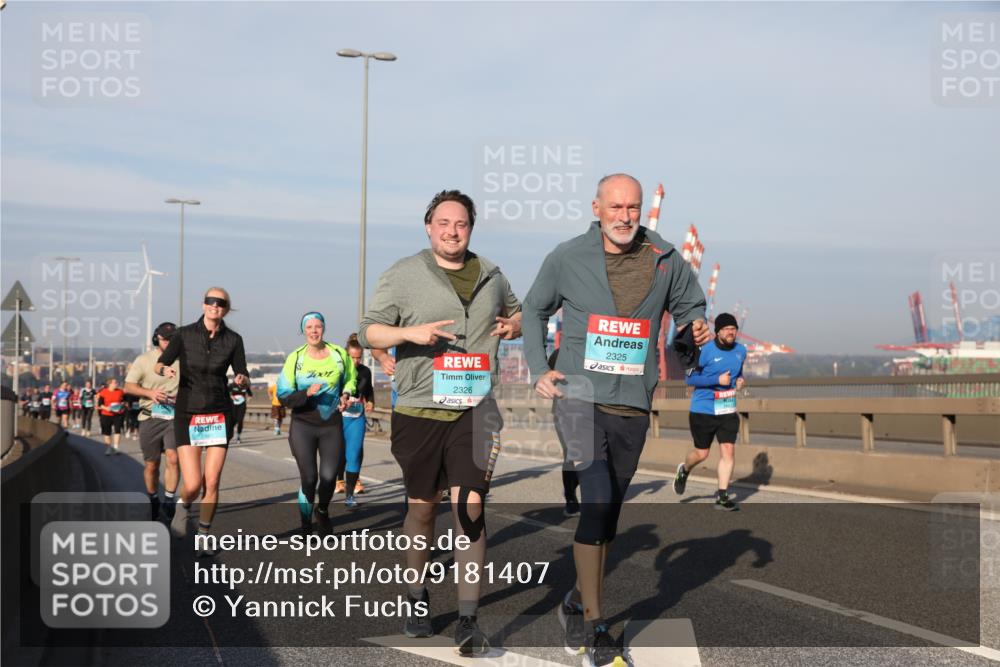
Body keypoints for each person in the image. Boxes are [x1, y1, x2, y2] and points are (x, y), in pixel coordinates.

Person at [522, 173, 710, 666]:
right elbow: (533, 311)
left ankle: (576, 601)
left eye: (633, 207)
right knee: (597, 496)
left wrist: (696, 326)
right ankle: (596, 626)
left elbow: (691, 306)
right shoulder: (568, 256)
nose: (625, 216)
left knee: (607, 515)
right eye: (616, 207)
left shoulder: (665, 258)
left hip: (632, 402)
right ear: (597, 208)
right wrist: (541, 368)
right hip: (578, 396)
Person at [359, 189, 522, 655]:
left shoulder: (492, 274)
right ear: (428, 227)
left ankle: (469, 619)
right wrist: (409, 332)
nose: (453, 231)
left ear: (471, 228)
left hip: (476, 409)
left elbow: (518, 313)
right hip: (419, 409)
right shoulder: (404, 274)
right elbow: (371, 328)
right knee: (423, 509)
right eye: (444, 223)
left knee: (469, 505)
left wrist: (515, 325)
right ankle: (417, 595)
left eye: (462, 224)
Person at [156, 287, 250, 554]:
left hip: (220, 413)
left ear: (226, 308)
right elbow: (160, 363)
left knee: (212, 481)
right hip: (188, 413)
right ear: (203, 305)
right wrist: (164, 368)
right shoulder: (184, 335)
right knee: (194, 483)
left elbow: (241, 369)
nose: (214, 306)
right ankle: (183, 506)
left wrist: (242, 377)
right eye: (210, 301)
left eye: (220, 303)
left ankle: (205, 535)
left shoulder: (233, 339)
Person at [277, 312, 356, 535]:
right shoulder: (296, 358)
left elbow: (351, 378)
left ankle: (322, 510)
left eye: (318, 326)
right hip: (303, 424)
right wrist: (306, 393)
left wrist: (347, 393)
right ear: (303, 331)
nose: (314, 330)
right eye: (309, 327)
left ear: (323, 328)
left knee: (330, 477)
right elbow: (284, 395)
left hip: (331, 424)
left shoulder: (339, 354)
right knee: (309, 478)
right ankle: (305, 524)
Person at [673, 313, 747, 511]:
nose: (731, 332)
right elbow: (690, 380)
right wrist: (716, 381)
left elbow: (738, 372)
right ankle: (685, 469)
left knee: (728, 450)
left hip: (727, 408)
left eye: (734, 329)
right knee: (702, 453)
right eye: (726, 329)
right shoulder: (704, 351)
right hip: (703, 409)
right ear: (718, 332)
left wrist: (739, 380)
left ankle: (722, 496)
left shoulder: (741, 350)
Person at [124, 322, 181, 522]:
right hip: (150, 416)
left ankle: (170, 499)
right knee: (152, 464)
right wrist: (150, 393)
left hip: (175, 416)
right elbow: (129, 387)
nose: (169, 342)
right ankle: (153, 497)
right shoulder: (144, 360)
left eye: (173, 339)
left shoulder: (184, 358)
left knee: (174, 458)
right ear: (157, 338)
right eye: (165, 339)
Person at [335, 334, 374, 508]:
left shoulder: (365, 371)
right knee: (337, 455)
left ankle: (350, 495)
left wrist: (371, 401)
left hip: (357, 418)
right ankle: (337, 482)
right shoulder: (339, 370)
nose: (356, 361)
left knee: (354, 453)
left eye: (359, 357)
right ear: (346, 355)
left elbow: (369, 390)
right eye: (353, 357)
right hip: (338, 418)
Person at [96, 378, 127, 455]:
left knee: (117, 430)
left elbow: (124, 401)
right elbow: (100, 404)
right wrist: (107, 408)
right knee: (107, 432)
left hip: (118, 414)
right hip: (106, 414)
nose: (116, 384)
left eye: (116, 382)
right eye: (114, 383)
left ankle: (116, 448)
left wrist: (122, 406)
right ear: (110, 384)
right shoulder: (104, 392)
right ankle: (109, 448)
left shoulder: (120, 391)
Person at [228, 377, 253, 444]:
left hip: (242, 405)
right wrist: (231, 396)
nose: (239, 380)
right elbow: (226, 393)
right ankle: (229, 434)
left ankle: (238, 436)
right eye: (238, 379)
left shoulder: (245, 386)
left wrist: (247, 400)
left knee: (240, 420)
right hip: (233, 405)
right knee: (233, 421)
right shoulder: (232, 385)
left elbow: (250, 395)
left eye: (241, 379)